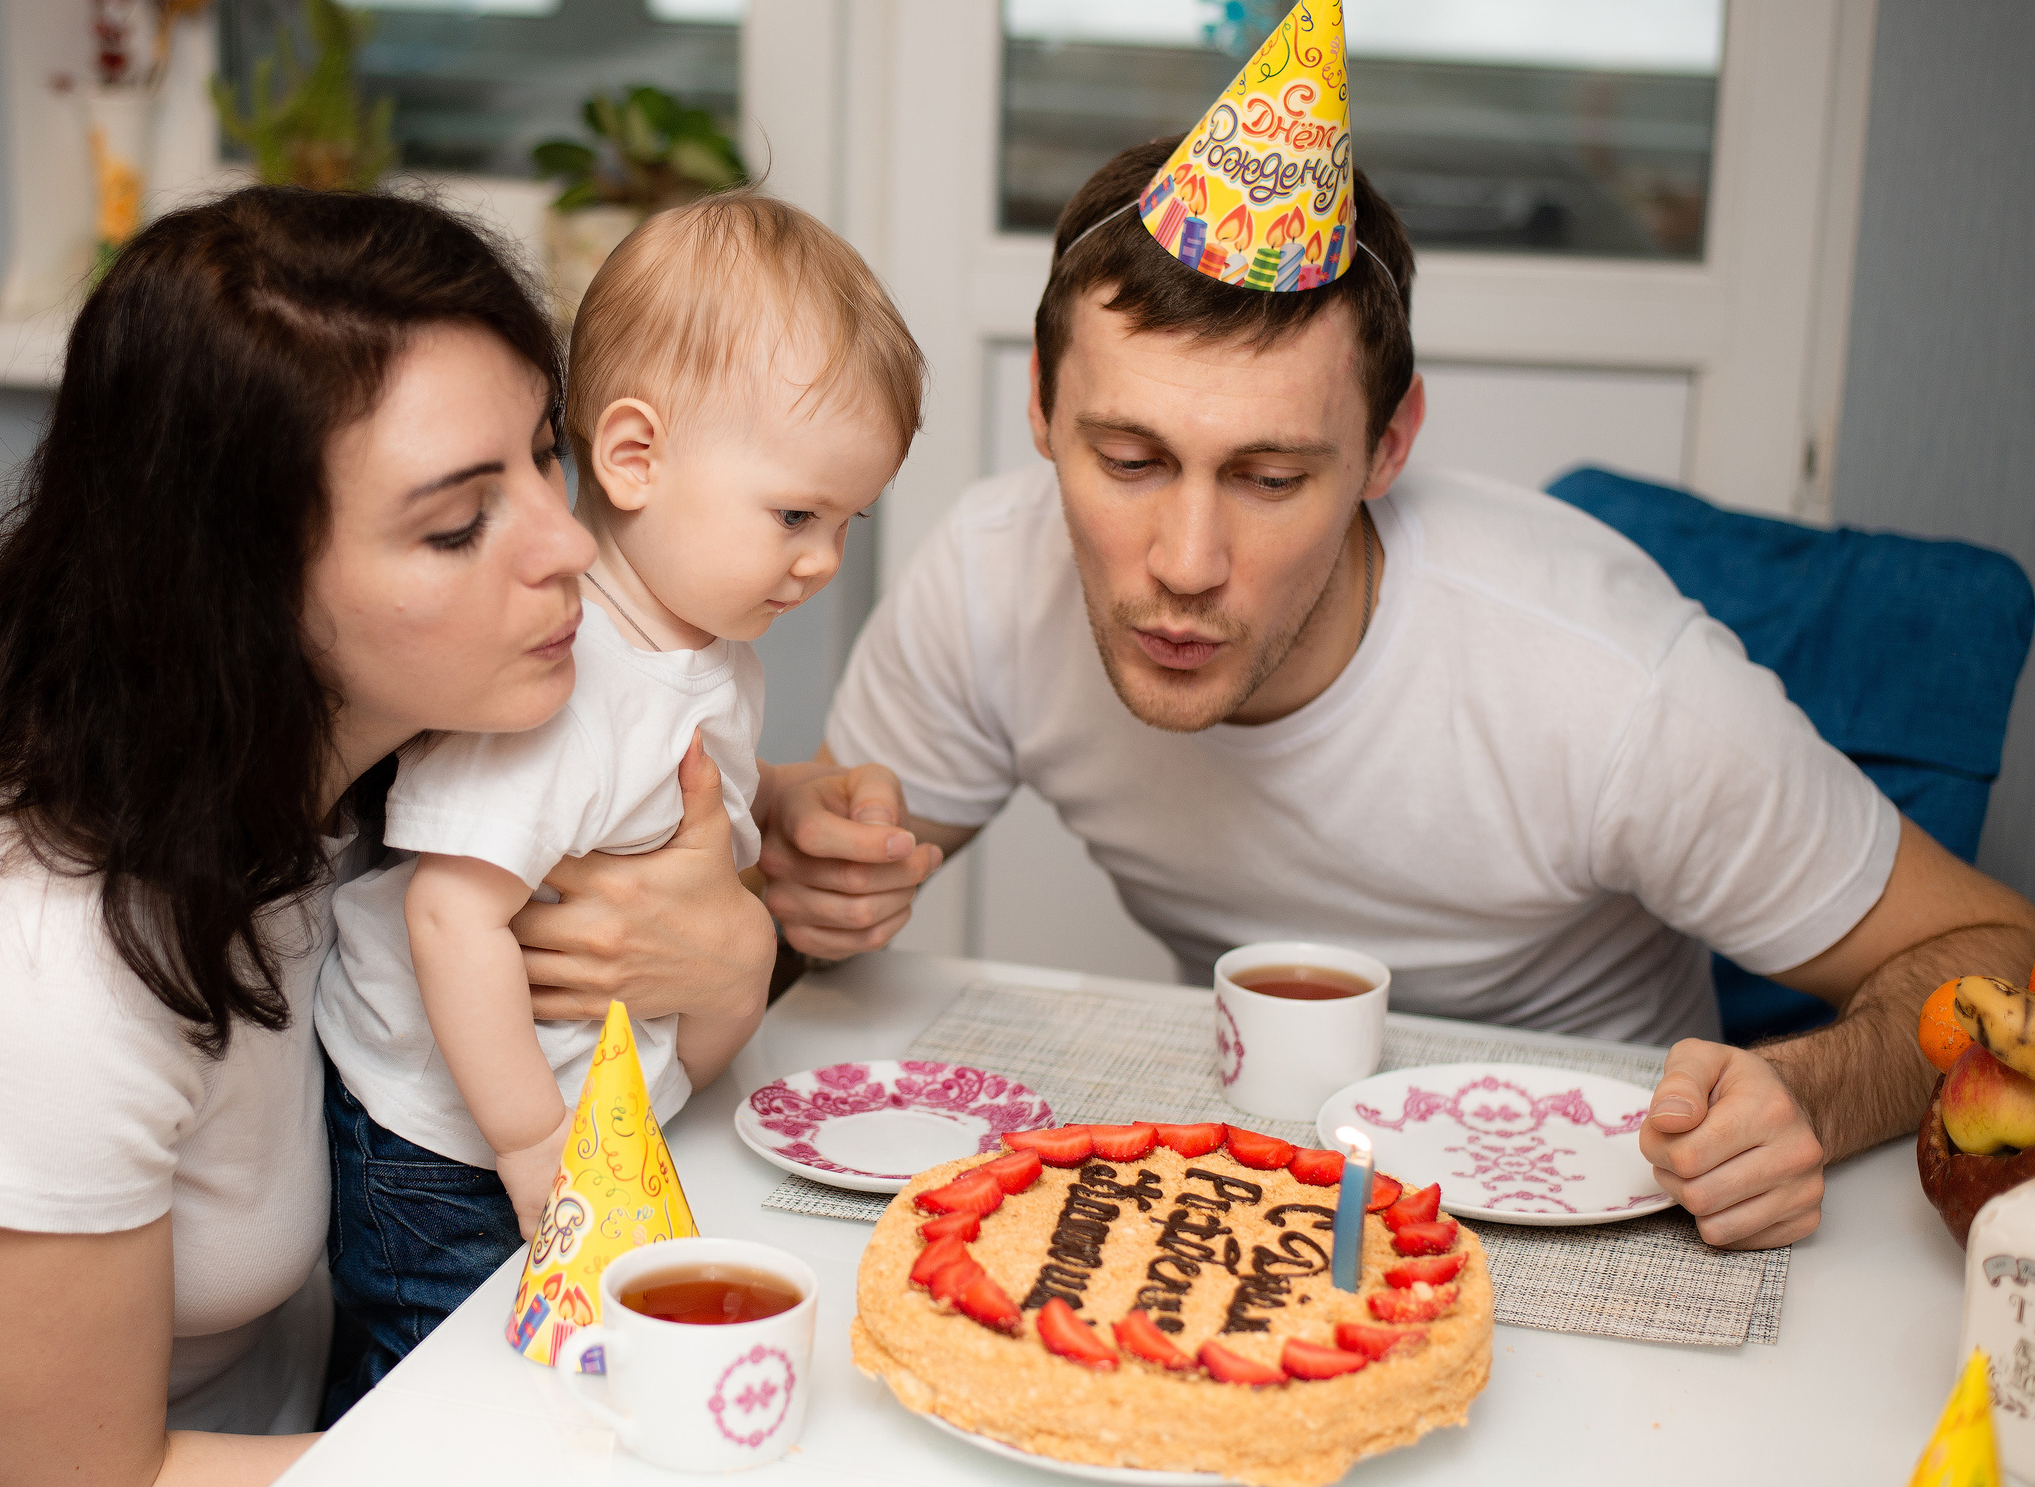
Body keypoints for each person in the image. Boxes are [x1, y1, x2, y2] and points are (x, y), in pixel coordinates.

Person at [0, 188, 774, 1487]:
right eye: (461, 522)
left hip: (302, 1429)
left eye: (546, 455)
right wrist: (537, 1460)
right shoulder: (37, 951)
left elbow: (673, 936)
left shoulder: (395, 733)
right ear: (244, 590)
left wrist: (743, 930)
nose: (571, 547)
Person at [756, 139, 2035, 1253]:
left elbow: (2002, 954)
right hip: (1251, 1174)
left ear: (1388, 445)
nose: (1184, 566)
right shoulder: (989, 580)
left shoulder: (1608, 681)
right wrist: (795, 884)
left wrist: (1810, 1092)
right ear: (1040, 408)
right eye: (1131, 459)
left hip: (1598, 1198)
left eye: (1269, 478)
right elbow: (815, 898)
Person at [314, 192, 922, 1411]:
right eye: (796, 515)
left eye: (846, 523)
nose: (821, 561)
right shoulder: (561, 671)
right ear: (635, 457)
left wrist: (788, 797)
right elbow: (449, 914)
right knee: (451, 1398)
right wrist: (535, 1143)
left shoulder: (702, 646)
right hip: (458, 1144)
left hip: (594, 1116)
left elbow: (664, 824)